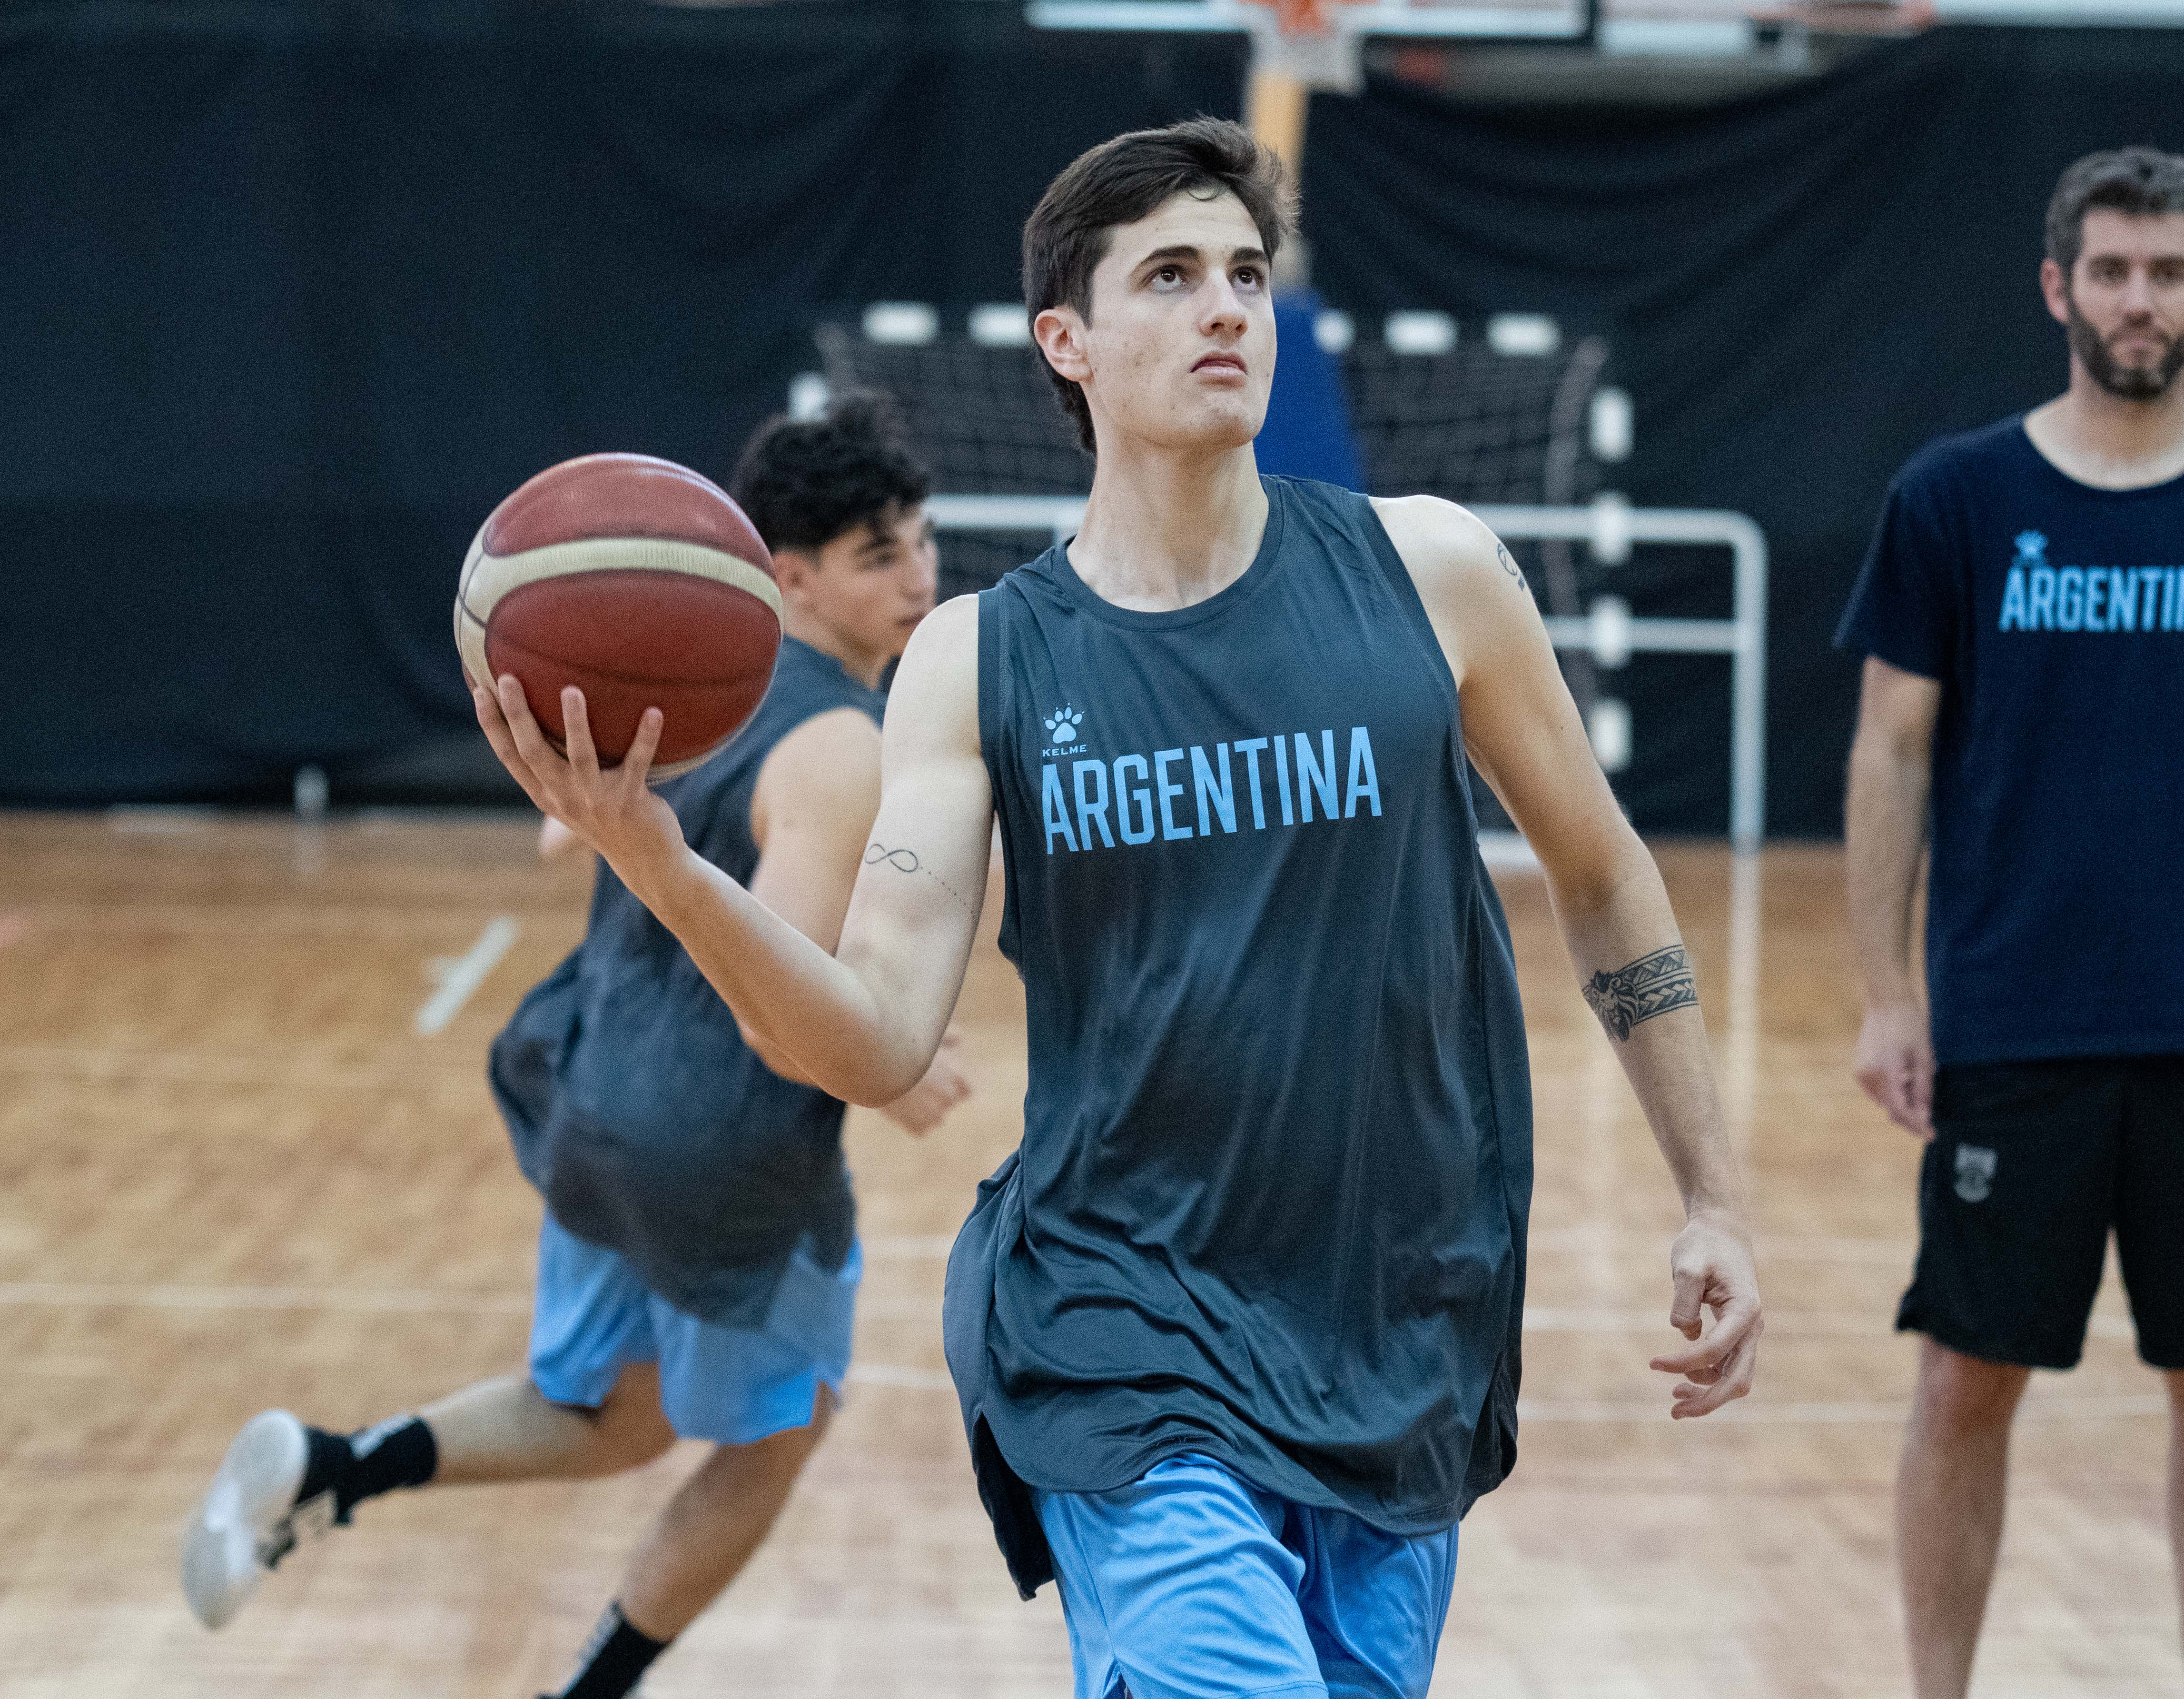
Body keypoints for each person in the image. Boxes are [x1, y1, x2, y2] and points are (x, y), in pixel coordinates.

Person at [468, 118, 1764, 1699]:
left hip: (1398, 1305)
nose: (1228, 308)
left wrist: (1709, 1188)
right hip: (1117, 1310)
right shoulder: (977, 657)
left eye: (1244, 273)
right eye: (1171, 276)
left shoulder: (1433, 573)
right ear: (1066, 342)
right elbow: (874, 1038)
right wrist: (662, 862)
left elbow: (1603, 870)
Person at [182, 395, 970, 1699]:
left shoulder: (683, 705)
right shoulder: (838, 744)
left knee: (614, 1415)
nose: (921, 573)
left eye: (920, 540)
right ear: (785, 574)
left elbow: (568, 834)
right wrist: (882, 1060)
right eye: (879, 552)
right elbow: (783, 1038)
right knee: (781, 1430)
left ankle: (336, 1466)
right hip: (719, 1148)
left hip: (594, 1097)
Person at [1837, 148, 2184, 1699]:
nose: (2134, 299)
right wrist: (1888, 993)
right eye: (2109, 269)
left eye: (2163, 272)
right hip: (2011, 1022)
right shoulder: (1954, 498)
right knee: (1961, 1380)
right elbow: (1886, 748)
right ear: (2055, 288)